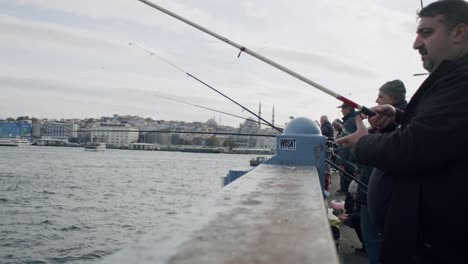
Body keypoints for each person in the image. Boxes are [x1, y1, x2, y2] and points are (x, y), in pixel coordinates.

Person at [336, 1, 468, 263]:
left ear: (459, 32)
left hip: (441, 248)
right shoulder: (453, 79)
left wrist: (363, 144)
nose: (416, 43)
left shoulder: (462, 82)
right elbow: (442, 135)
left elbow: (415, 148)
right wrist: (399, 118)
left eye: (427, 33)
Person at [360, 80, 408, 264]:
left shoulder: (406, 123)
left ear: (393, 98)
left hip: (382, 199)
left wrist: (362, 142)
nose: (376, 100)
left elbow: (397, 151)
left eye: (381, 96)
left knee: (375, 243)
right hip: (374, 194)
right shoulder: (401, 120)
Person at [335, 103, 357, 196]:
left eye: (343, 108)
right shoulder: (351, 120)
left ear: (349, 109)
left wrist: (342, 163)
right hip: (350, 160)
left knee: (348, 189)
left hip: (349, 161)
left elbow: (347, 144)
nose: (341, 110)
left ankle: (349, 209)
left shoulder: (350, 122)